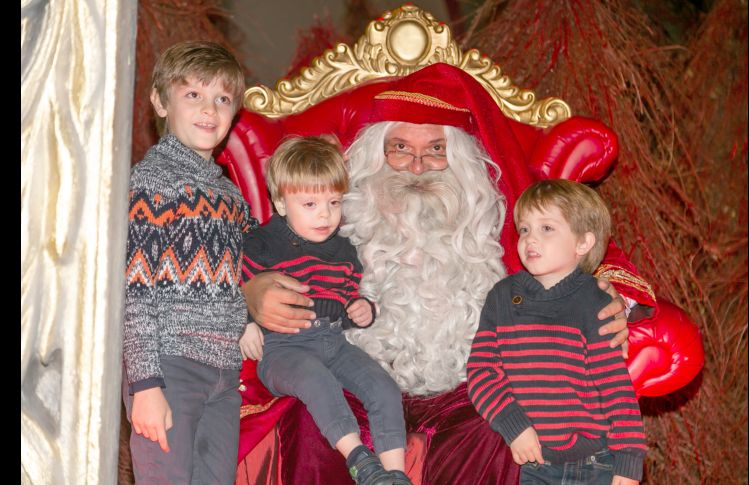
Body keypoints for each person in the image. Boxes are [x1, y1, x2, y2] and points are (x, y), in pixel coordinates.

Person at [239, 64, 654, 483]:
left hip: (469, 391)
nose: (417, 168)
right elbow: (254, 250)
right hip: (353, 375)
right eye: (400, 148)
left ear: (462, 161)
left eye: (436, 150)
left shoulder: (503, 216)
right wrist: (250, 295)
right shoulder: (335, 214)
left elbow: (591, 243)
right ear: (373, 156)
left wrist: (615, 296)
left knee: (509, 434)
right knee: (312, 420)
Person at [238, 136, 411, 485]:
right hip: (283, 347)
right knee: (318, 381)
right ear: (281, 203)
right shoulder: (262, 242)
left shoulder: (345, 249)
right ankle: (361, 461)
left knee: (384, 388)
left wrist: (363, 309)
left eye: (333, 202)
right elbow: (236, 287)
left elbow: (347, 300)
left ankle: (396, 475)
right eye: (310, 204)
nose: (325, 215)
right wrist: (245, 323)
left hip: (334, 341)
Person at [122, 41, 249, 484]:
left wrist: (245, 321)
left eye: (223, 98)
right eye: (193, 94)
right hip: (170, 367)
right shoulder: (149, 183)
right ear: (160, 101)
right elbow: (134, 291)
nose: (209, 109)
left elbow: (231, 279)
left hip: (224, 373)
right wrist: (145, 385)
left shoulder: (231, 196)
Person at [467, 179, 646, 485]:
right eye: (524, 229)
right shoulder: (502, 297)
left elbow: (616, 387)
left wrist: (628, 461)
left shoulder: (595, 301)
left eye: (546, 228)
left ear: (583, 243)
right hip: (530, 463)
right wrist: (515, 426)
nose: (530, 239)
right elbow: (481, 371)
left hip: (594, 463)